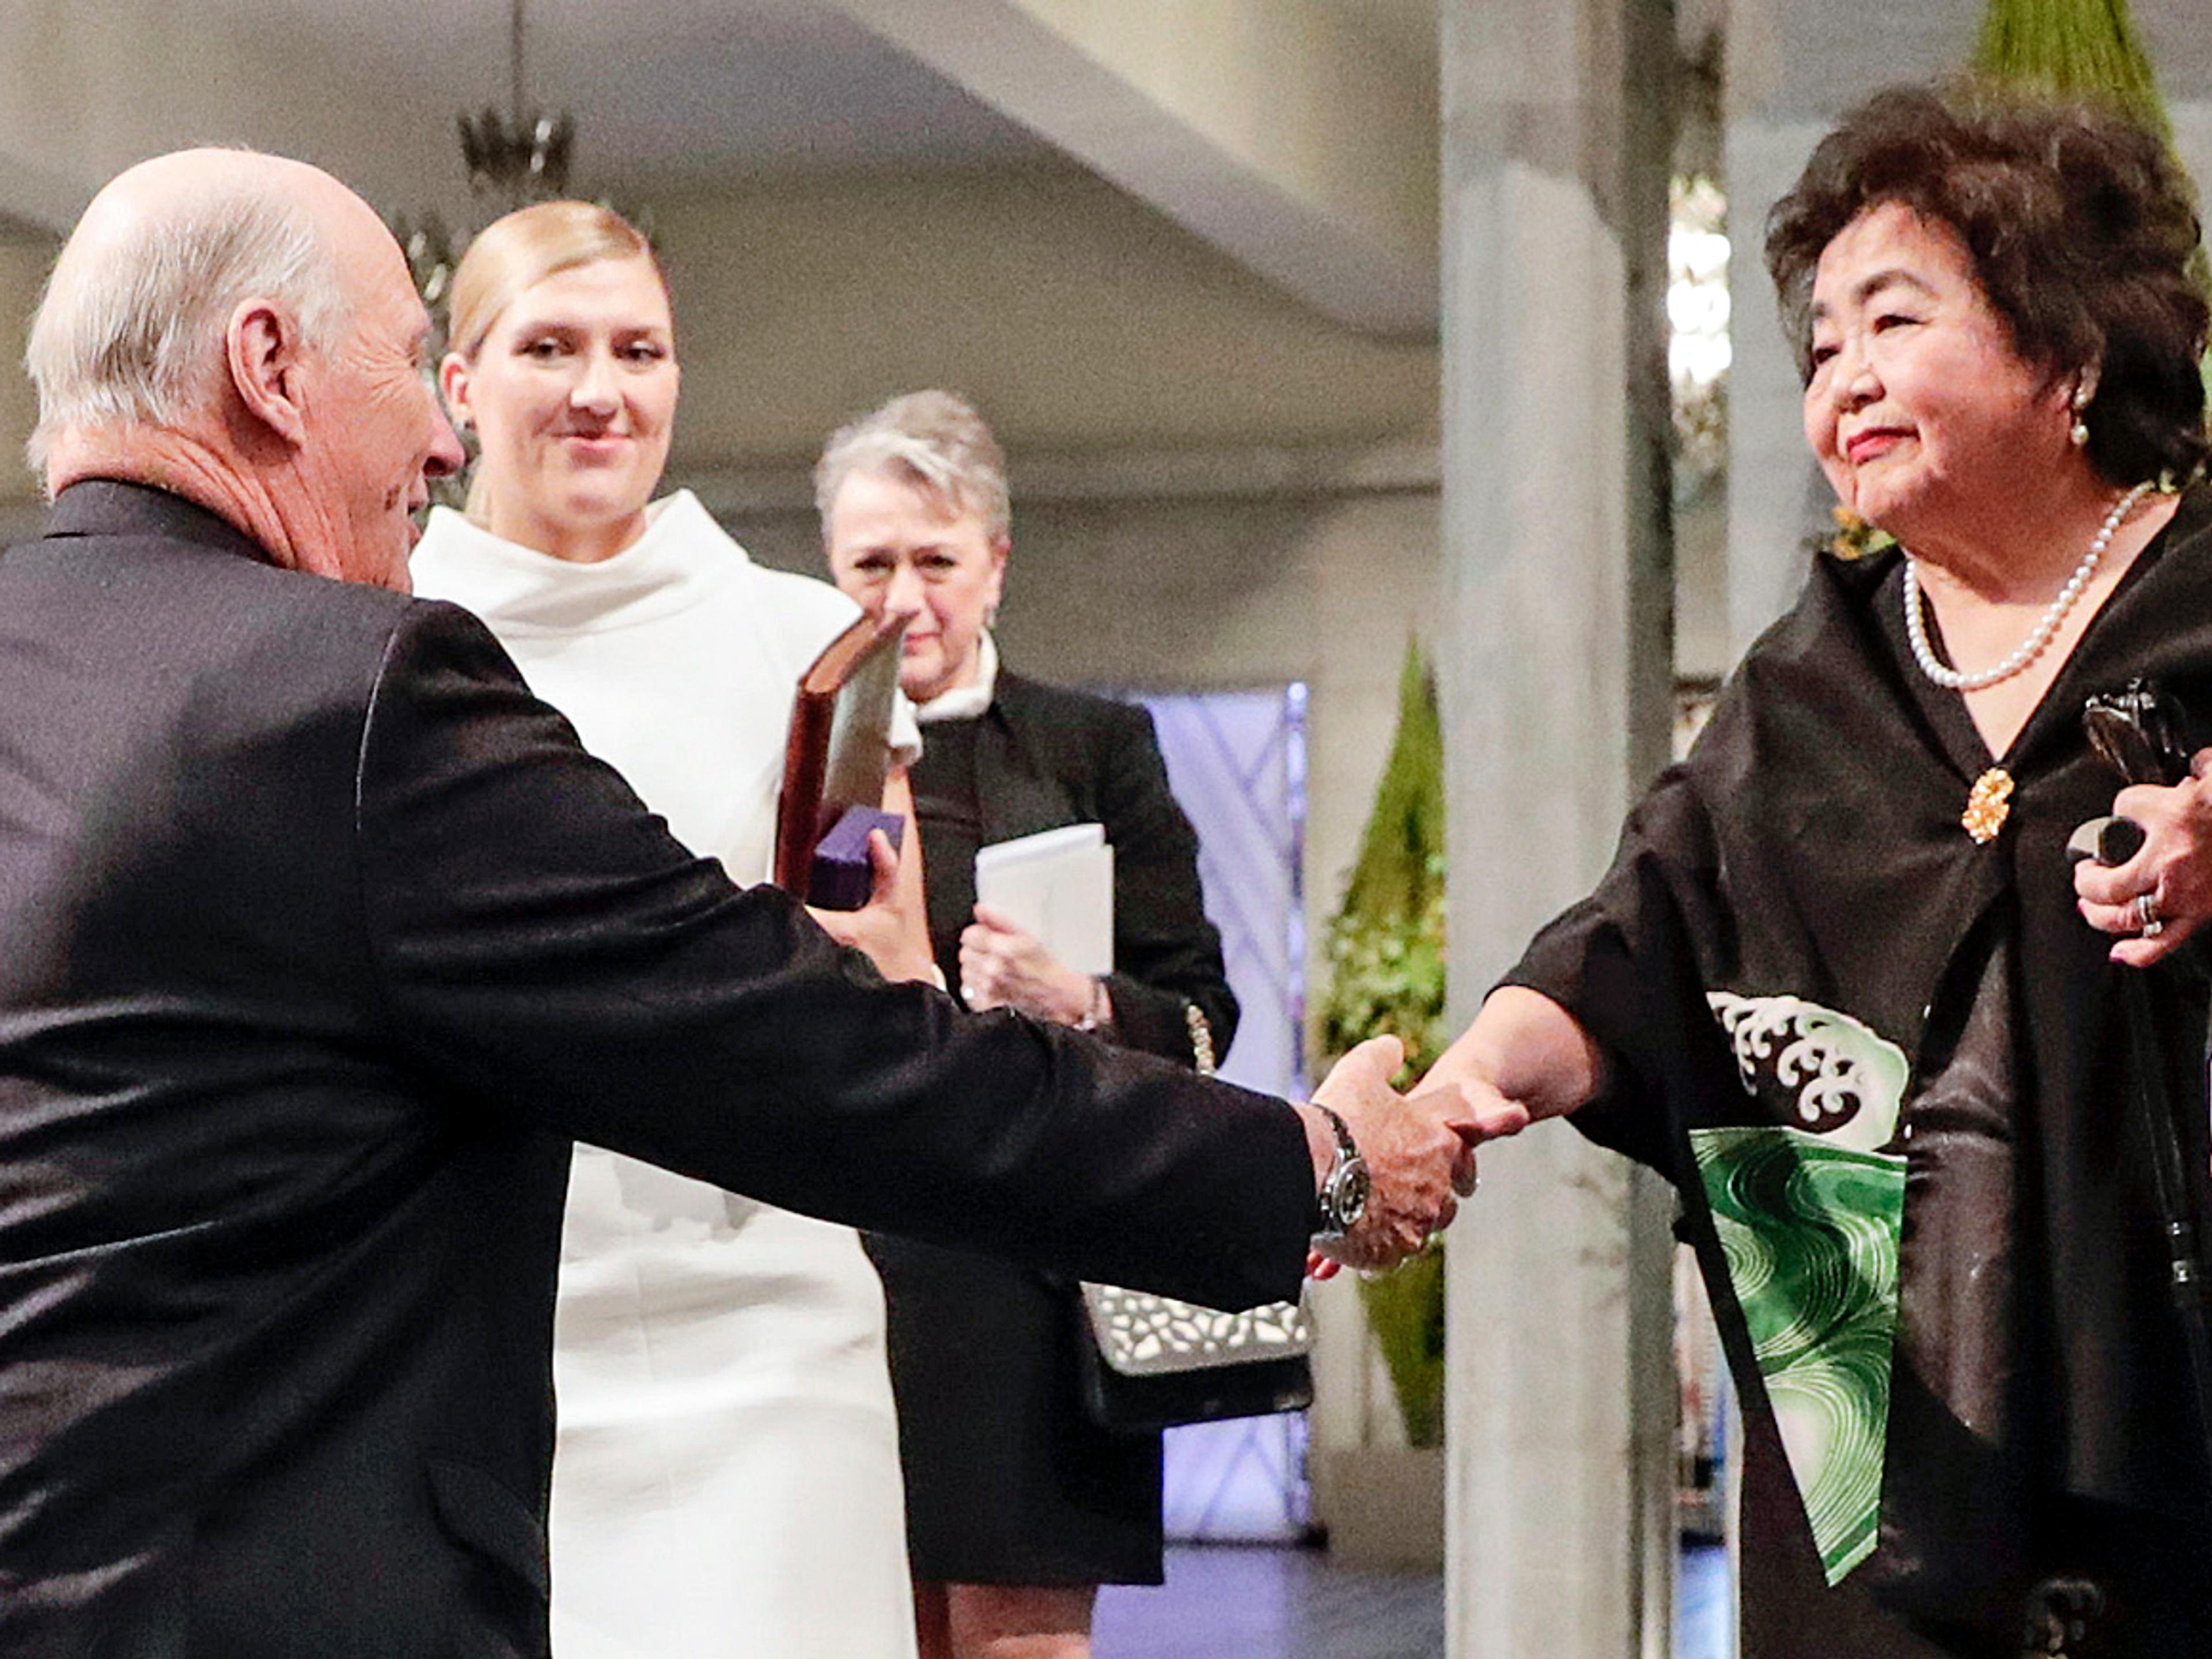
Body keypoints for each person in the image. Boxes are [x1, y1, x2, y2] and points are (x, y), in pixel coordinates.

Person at [0, 148, 1495, 1658]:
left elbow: (870, 996)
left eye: (639, 350)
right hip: (284, 1563)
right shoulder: (369, 685)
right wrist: (1302, 1169)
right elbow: (809, 1049)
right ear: (272, 366)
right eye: (415, 361)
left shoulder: (800, 650)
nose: (440, 445)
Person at [1426, 85, 2212, 1657]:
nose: (1844, 376)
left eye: (1894, 321)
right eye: (1822, 343)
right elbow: (1637, 940)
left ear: (2068, 356)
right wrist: (1461, 1090)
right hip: (1877, 1461)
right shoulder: (1812, 682)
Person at [410, 202, 924, 1659]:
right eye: (550, 348)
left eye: (639, 351)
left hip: (773, 1342)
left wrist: (889, 976)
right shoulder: (378, 637)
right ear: (460, 385)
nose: (600, 391)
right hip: (470, 1347)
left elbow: (896, 977)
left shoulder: (806, 643)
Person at [819, 390, 1239, 1659]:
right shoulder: (812, 757)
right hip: (846, 1270)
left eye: (936, 562)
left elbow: (1203, 1015)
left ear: (996, 566)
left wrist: (1081, 1001)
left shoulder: (1093, 747)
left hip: (1034, 1274)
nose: (906, 600)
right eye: (872, 565)